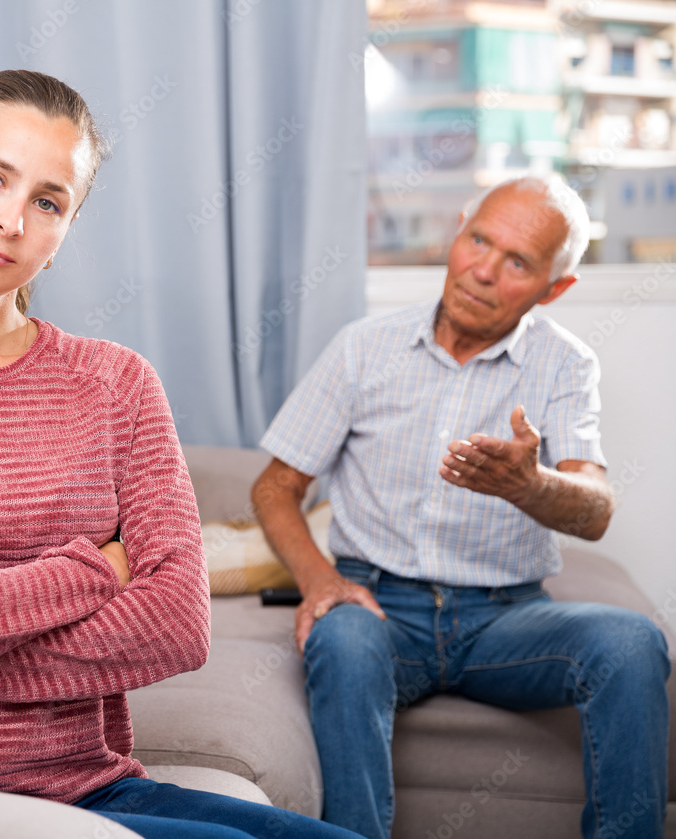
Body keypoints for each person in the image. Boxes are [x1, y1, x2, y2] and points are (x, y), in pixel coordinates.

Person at [0, 69, 365, 839]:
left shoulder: (117, 383)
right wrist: (97, 569)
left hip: (95, 791)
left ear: (65, 232)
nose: (12, 220)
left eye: (48, 201)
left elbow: (179, 624)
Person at [251, 174, 670, 839]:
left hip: (506, 620)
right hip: (381, 606)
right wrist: (321, 580)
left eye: (517, 262)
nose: (482, 270)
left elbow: (596, 510)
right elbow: (273, 487)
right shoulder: (364, 347)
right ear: (458, 233)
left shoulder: (565, 364)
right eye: (479, 239)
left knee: (632, 640)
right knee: (343, 639)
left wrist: (529, 487)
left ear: (552, 288)